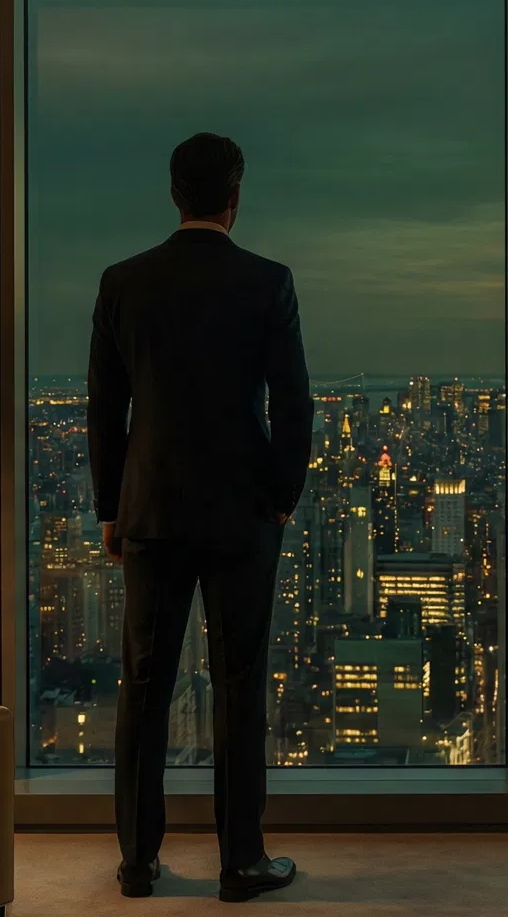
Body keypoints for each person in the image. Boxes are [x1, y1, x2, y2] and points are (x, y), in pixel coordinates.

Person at [88, 132, 312, 904]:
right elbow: (293, 402)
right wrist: (283, 495)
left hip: (149, 511)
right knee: (239, 686)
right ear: (235, 196)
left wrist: (109, 507)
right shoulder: (267, 282)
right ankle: (239, 861)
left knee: (143, 684)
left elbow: (104, 409)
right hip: (242, 513)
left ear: (174, 193)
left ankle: (137, 862)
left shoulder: (123, 283)